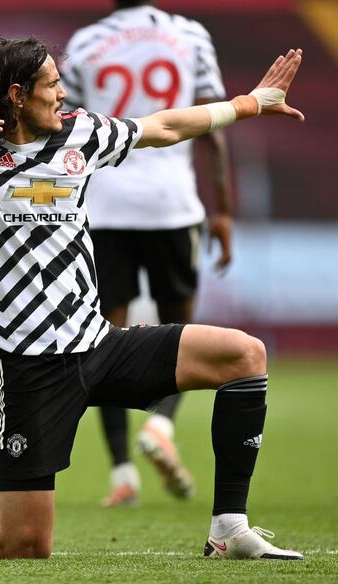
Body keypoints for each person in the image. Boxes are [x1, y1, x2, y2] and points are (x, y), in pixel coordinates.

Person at [0, 37, 305, 560]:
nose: (62, 93)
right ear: (16, 95)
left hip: (98, 344)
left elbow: (164, 126)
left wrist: (250, 103)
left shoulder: (82, 134)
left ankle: (229, 528)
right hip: (27, 366)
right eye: (52, 84)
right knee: (23, 548)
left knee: (244, 355)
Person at [61, 0, 235, 507]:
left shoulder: (86, 43)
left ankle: (122, 473)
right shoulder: (189, 35)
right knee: (181, 329)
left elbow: (61, 121)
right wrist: (222, 209)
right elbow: (210, 125)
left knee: (101, 341)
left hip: (106, 205)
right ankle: (160, 425)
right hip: (172, 205)